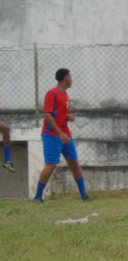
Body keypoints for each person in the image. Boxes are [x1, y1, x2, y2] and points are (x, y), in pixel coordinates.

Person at [33, 69, 92, 203]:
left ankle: (84, 196)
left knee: (75, 163)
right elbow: (48, 114)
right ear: (66, 78)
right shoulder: (52, 93)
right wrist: (60, 133)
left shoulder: (66, 95)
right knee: (51, 165)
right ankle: (38, 197)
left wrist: (68, 117)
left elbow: (60, 114)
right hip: (52, 135)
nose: (72, 79)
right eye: (71, 76)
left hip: (66, 135)